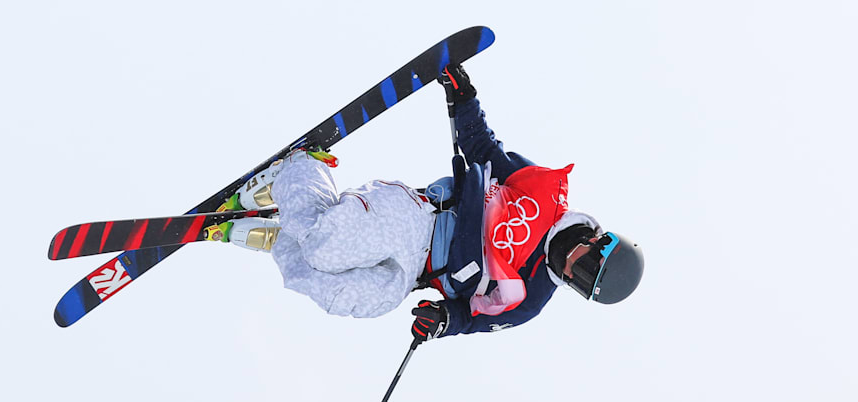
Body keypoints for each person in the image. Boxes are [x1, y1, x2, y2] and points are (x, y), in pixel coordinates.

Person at [213, 64, 644, 341]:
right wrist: (464, 99)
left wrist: (441, 322)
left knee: (349, 297)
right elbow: (484, 150)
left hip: (419, 274)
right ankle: (298, 169)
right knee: (329, 245)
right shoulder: (544, 195)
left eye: (581, 285)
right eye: (587, 269)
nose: (572, 274)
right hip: (421, 221)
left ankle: (287, 227)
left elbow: (468, 319)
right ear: (597, 240)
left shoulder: (529, 301)